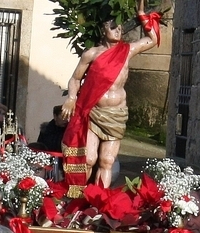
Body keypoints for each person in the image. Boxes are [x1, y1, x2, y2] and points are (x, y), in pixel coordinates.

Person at [61, 0, 158, 197]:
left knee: (107, 161)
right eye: (112, 27)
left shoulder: (127, 51)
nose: (117, 31)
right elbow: (75, 78)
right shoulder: (92, 54)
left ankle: (99, 201)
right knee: (88, 158)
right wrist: (71, 98)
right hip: (94, 112)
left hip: (116, 114)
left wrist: (142, 15)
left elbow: (152, 40)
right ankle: (78, 198)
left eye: (120, 27)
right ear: (102, 29)